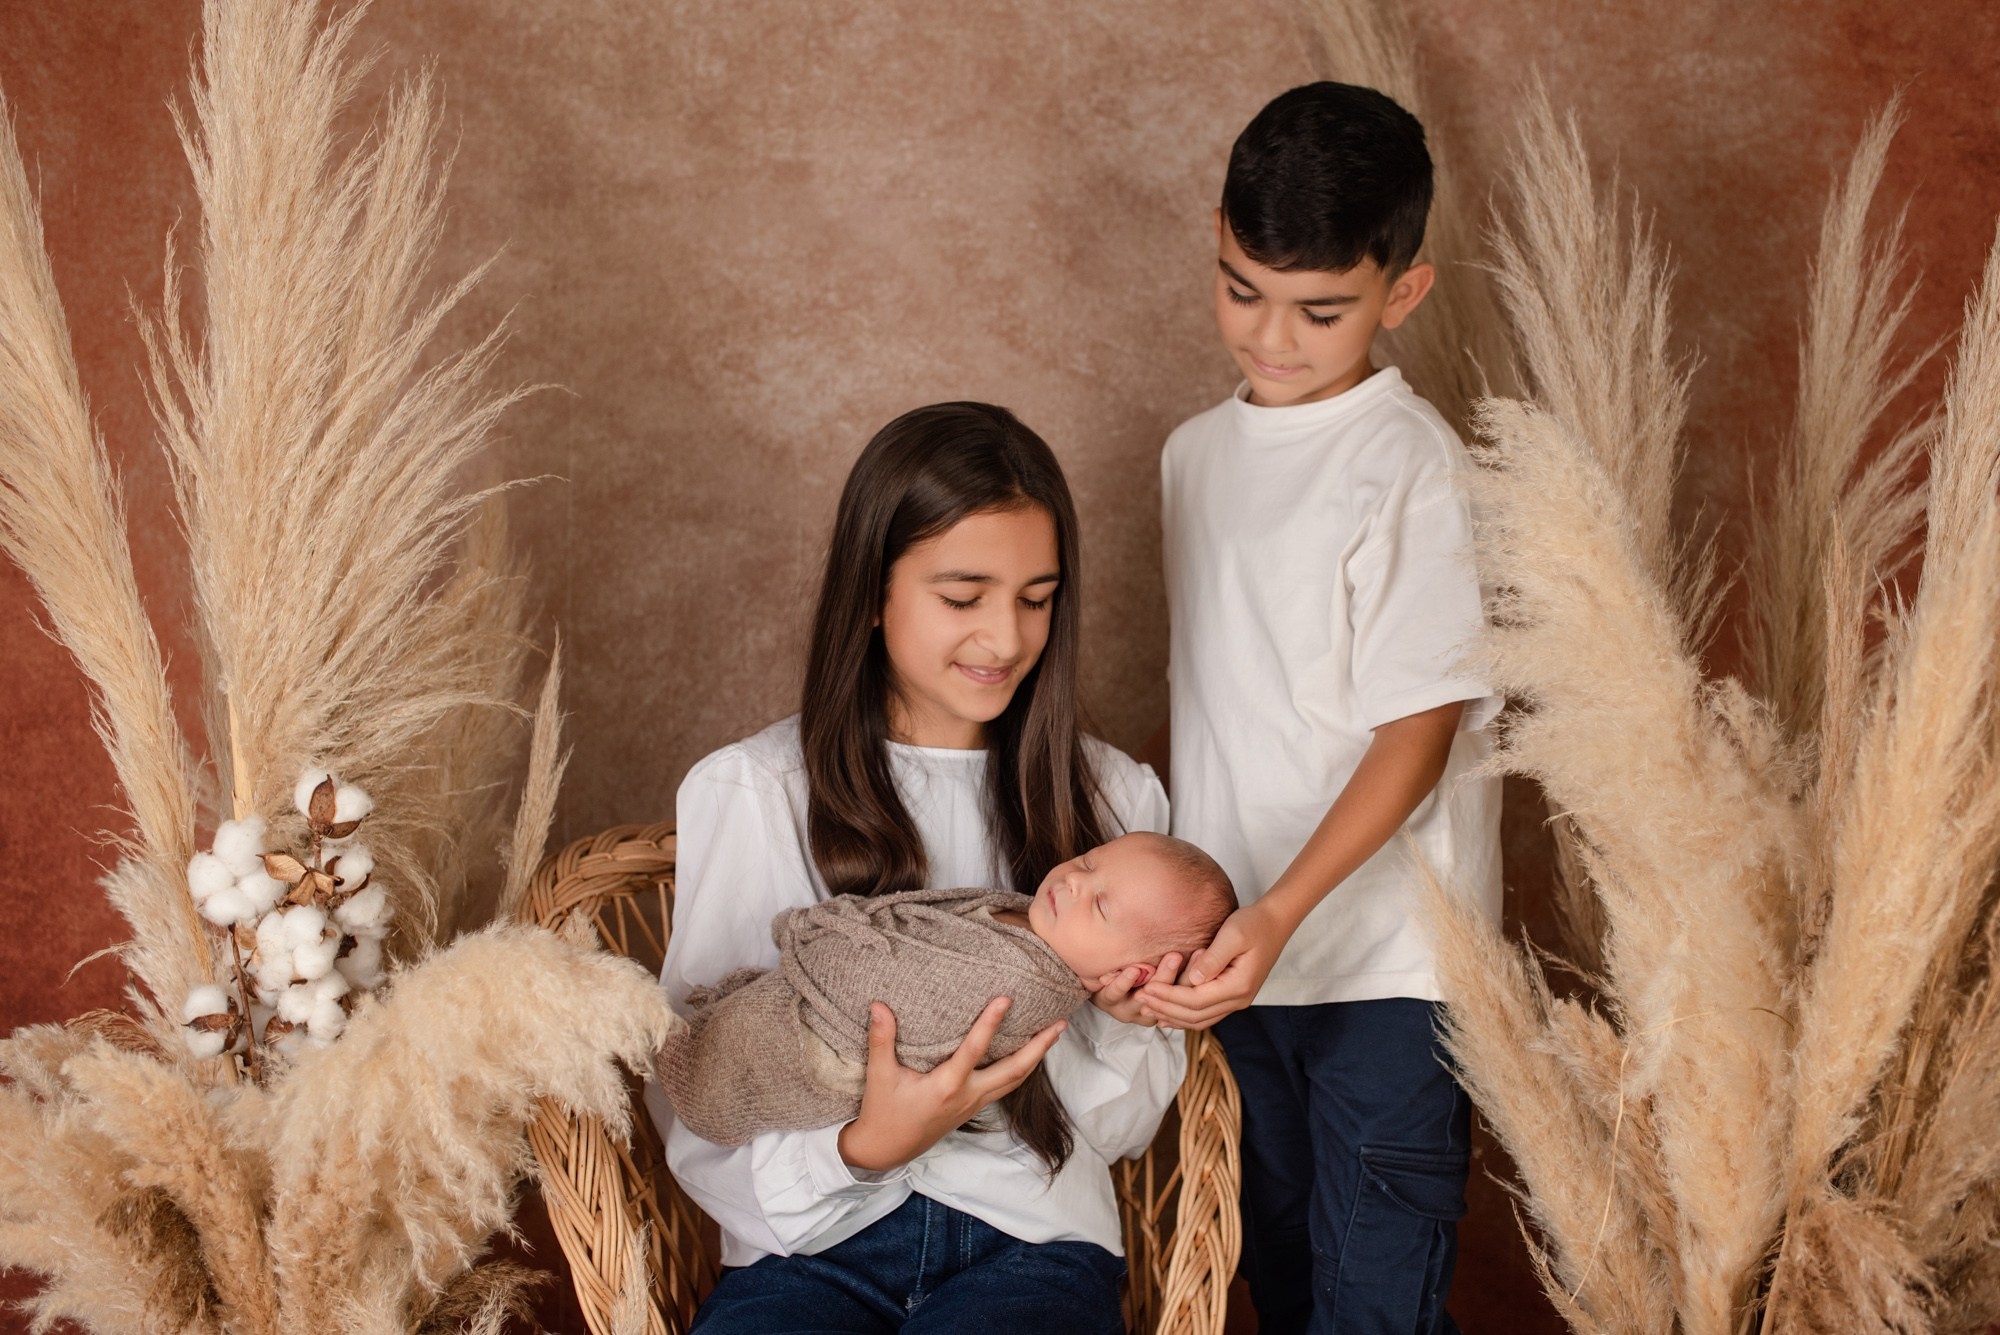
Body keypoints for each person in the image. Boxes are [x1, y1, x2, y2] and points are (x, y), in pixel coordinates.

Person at [650, 401, 1185, 1334]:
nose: (1007, 639)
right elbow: (700, 1091)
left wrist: (1131, 1024)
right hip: (808, 1249)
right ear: (871, 591)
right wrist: (863, 1148)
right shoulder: (752, 789)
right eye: (963, 597)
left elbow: (1118, 1131)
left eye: (1036, 598)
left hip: (1035, 1245)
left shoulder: (1114, 800)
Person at [1138, 82, 1503, 1334]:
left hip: (1384, 973)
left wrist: (1280, 911)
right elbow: (1221, 704)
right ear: (1216, 246)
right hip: (1235, 968)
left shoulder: (1406, 461)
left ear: (1402, 292)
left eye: (1320, 309)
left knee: (1370, 1308)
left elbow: (1418, 729)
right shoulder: (1191, 457)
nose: (1272, 336)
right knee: (1282, 1290)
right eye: (1242, 290)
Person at [658, 832, 1235, 1148]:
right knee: (714, 1030)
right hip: (800, 1019)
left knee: (727, 1051)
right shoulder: (1030, 922)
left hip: (817, 1048)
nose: (1075, 883)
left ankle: (697, 1064)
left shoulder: (1020, 984)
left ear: (1135, 975)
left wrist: (810, 934)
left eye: (1102, 906)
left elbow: (886, 990)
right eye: (1088, 862)